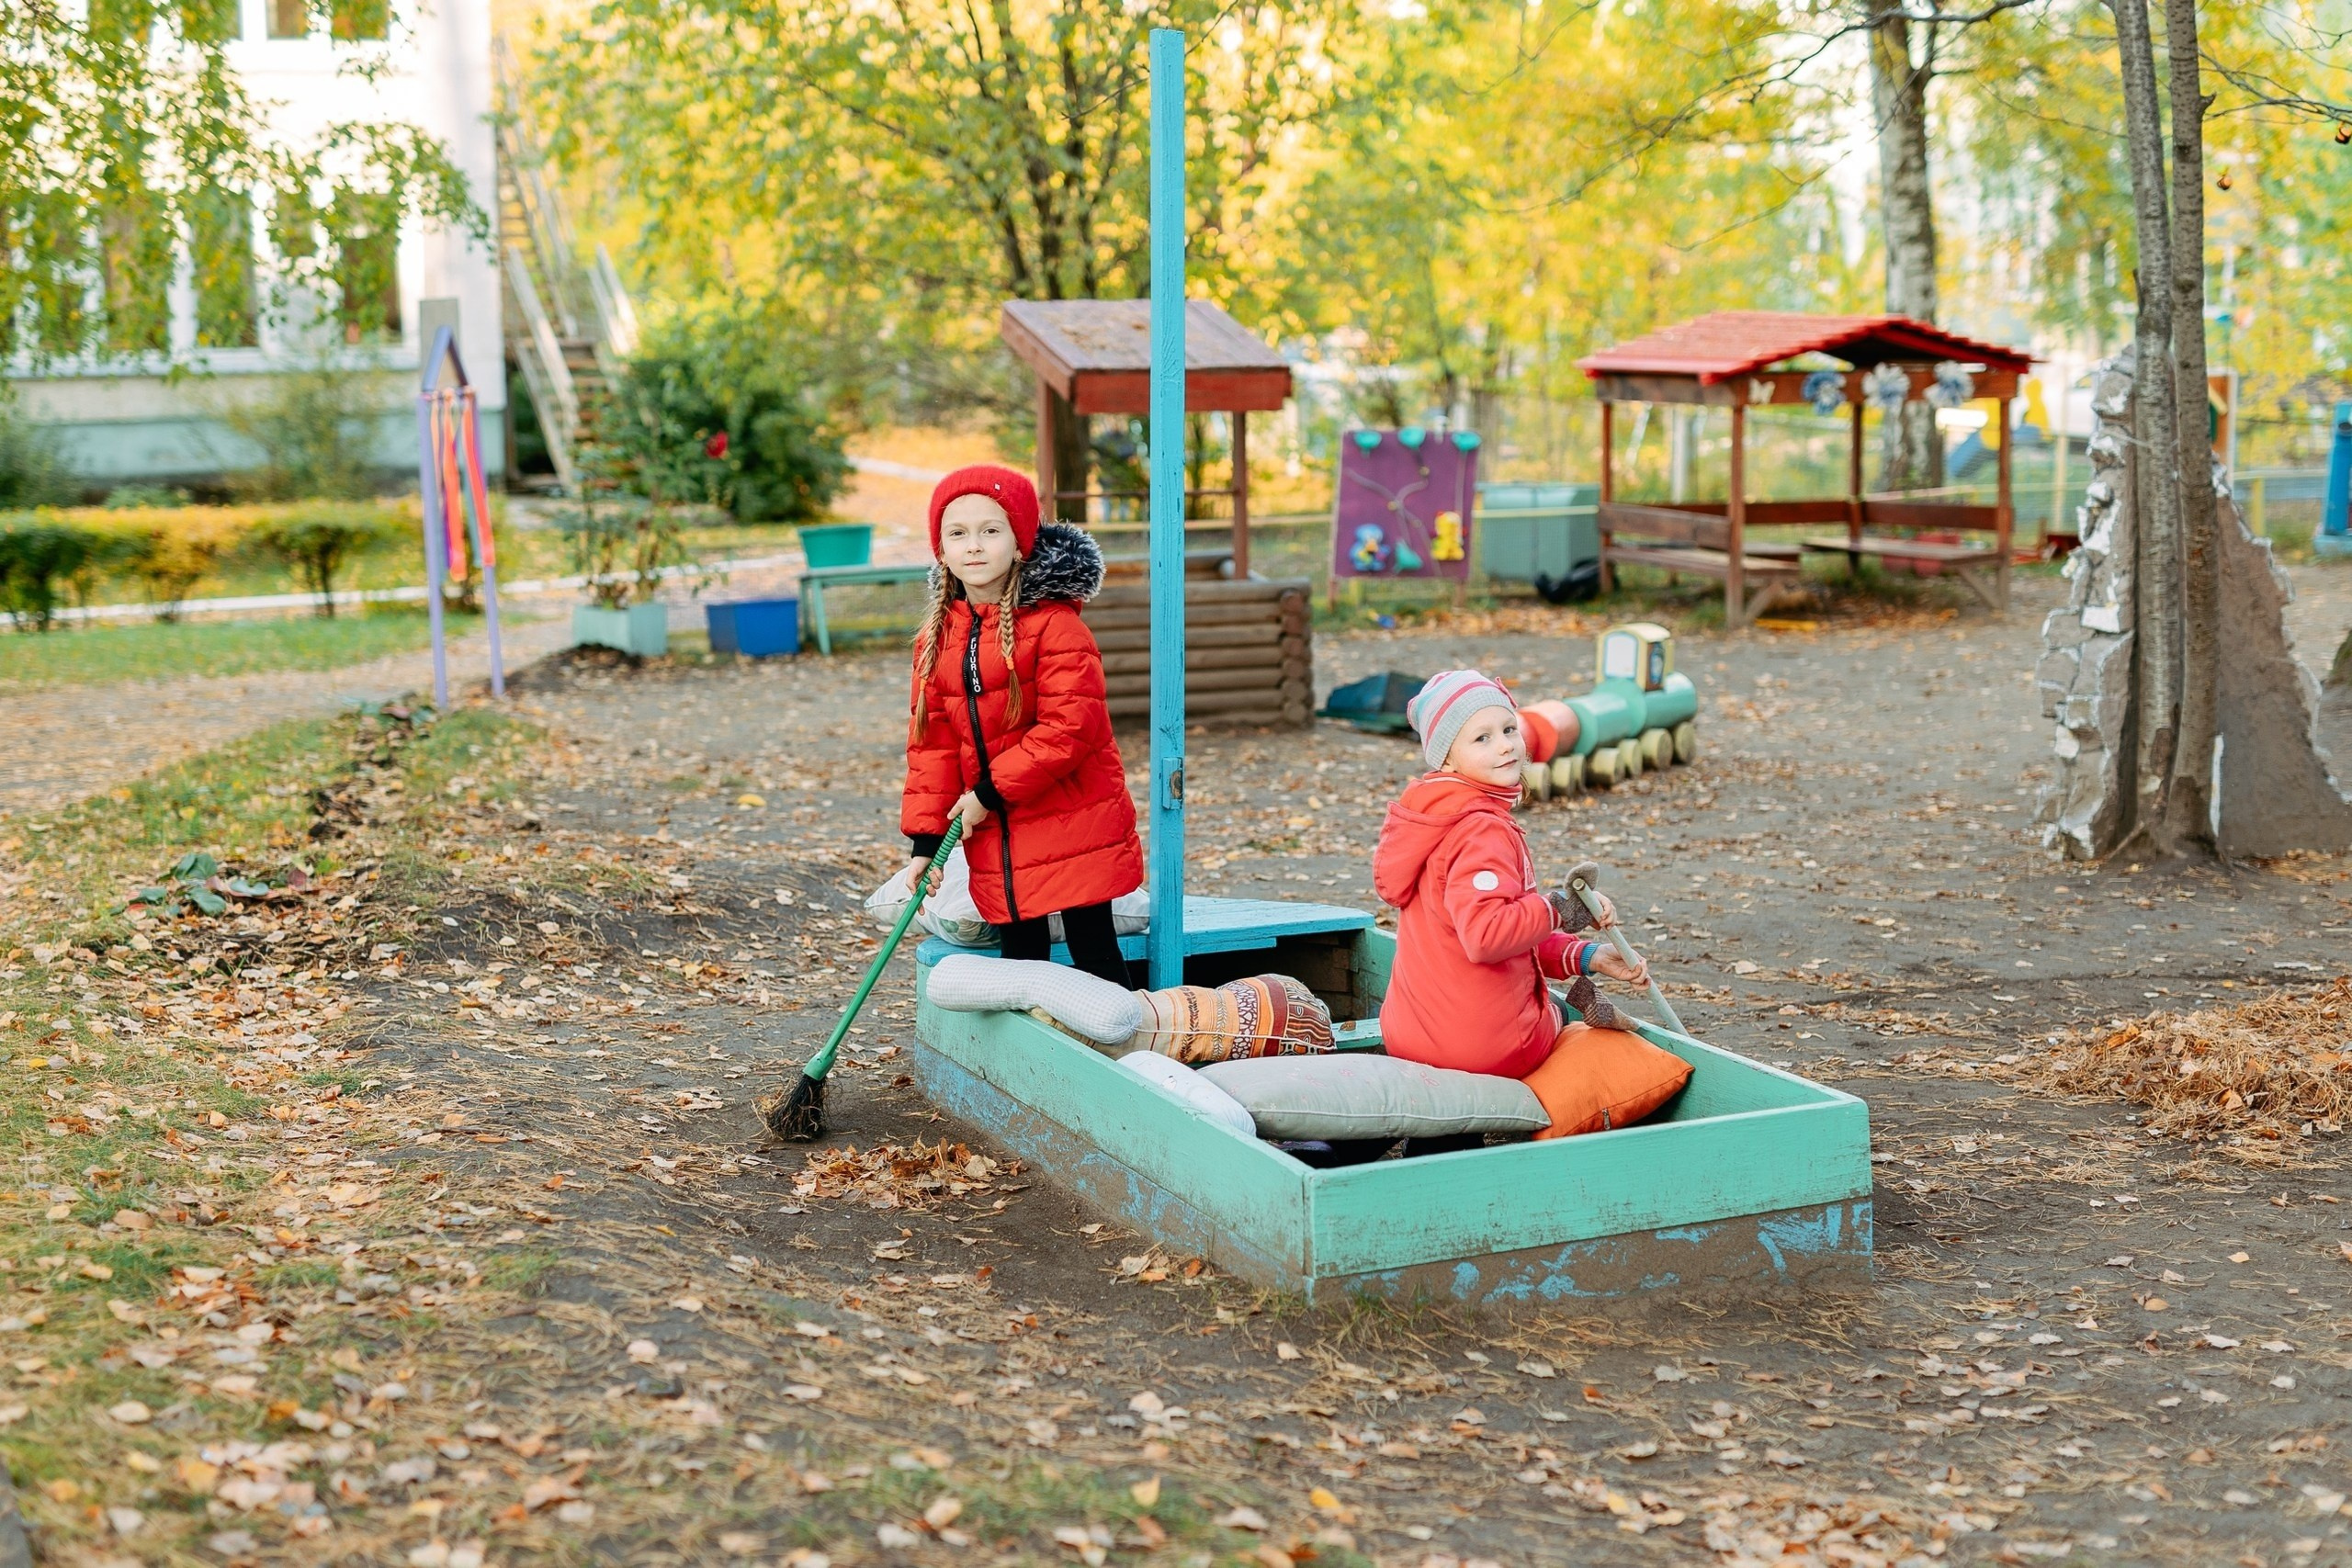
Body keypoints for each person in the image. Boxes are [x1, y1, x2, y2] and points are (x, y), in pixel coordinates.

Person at [901, 465, 1144, 986]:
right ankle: (1041, 1060)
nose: (974, 546)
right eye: (957, 533)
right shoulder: (936, 640)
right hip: (997, 830)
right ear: (940, 550)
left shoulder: (1056, 625)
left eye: (991, 530)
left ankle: (1122, 1051)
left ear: (1019, 544)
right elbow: (933, 747)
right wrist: (927, 841)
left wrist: (988, 793)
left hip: (1072, 816)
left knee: (1093, 949)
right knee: (1022, 958)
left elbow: (1070, 726)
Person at [1373, 669, 1650, 1078]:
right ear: (1447, 756)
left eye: (1508, 729)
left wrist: (1585, 955)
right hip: (1480, 1050)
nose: (1504, 747)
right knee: (1559, 1010)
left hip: (1410, 1035)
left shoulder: (1432, 818)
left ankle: (1431, 1139)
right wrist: (1558, 908)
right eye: (1481, 738)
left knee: (1548, 996)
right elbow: (1488, 936)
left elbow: (1506, 930)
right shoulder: (1481, 828)